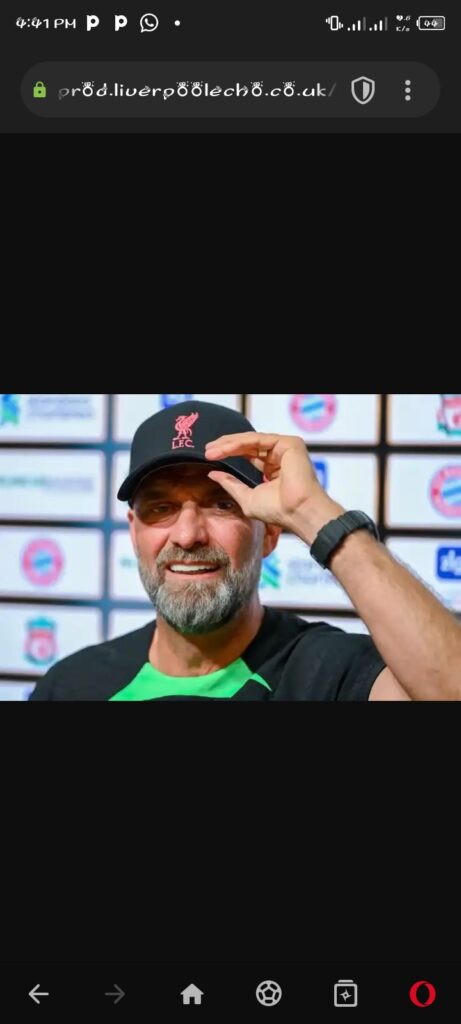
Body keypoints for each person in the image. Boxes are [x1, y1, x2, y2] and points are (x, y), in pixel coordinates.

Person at [30, 400, 461, 701]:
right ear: (134, 533)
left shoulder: (330, 673)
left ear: (270, 532)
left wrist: (312, 512)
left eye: (222, 504)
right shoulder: (72, 686)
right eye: (161, 508)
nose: (187, 535)